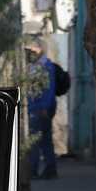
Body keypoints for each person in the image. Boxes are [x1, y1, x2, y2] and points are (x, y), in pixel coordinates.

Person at [27, 47, 65, 179]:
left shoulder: (45, 67)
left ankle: (34, 169)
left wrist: (44, 107)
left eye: (31, 50)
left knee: (35, 140)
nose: (29, 53)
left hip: (40, 108)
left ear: (39, 50)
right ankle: (50, 168)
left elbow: (48, 89)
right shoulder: (38, 66)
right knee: (44, 139)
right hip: (39, 107)